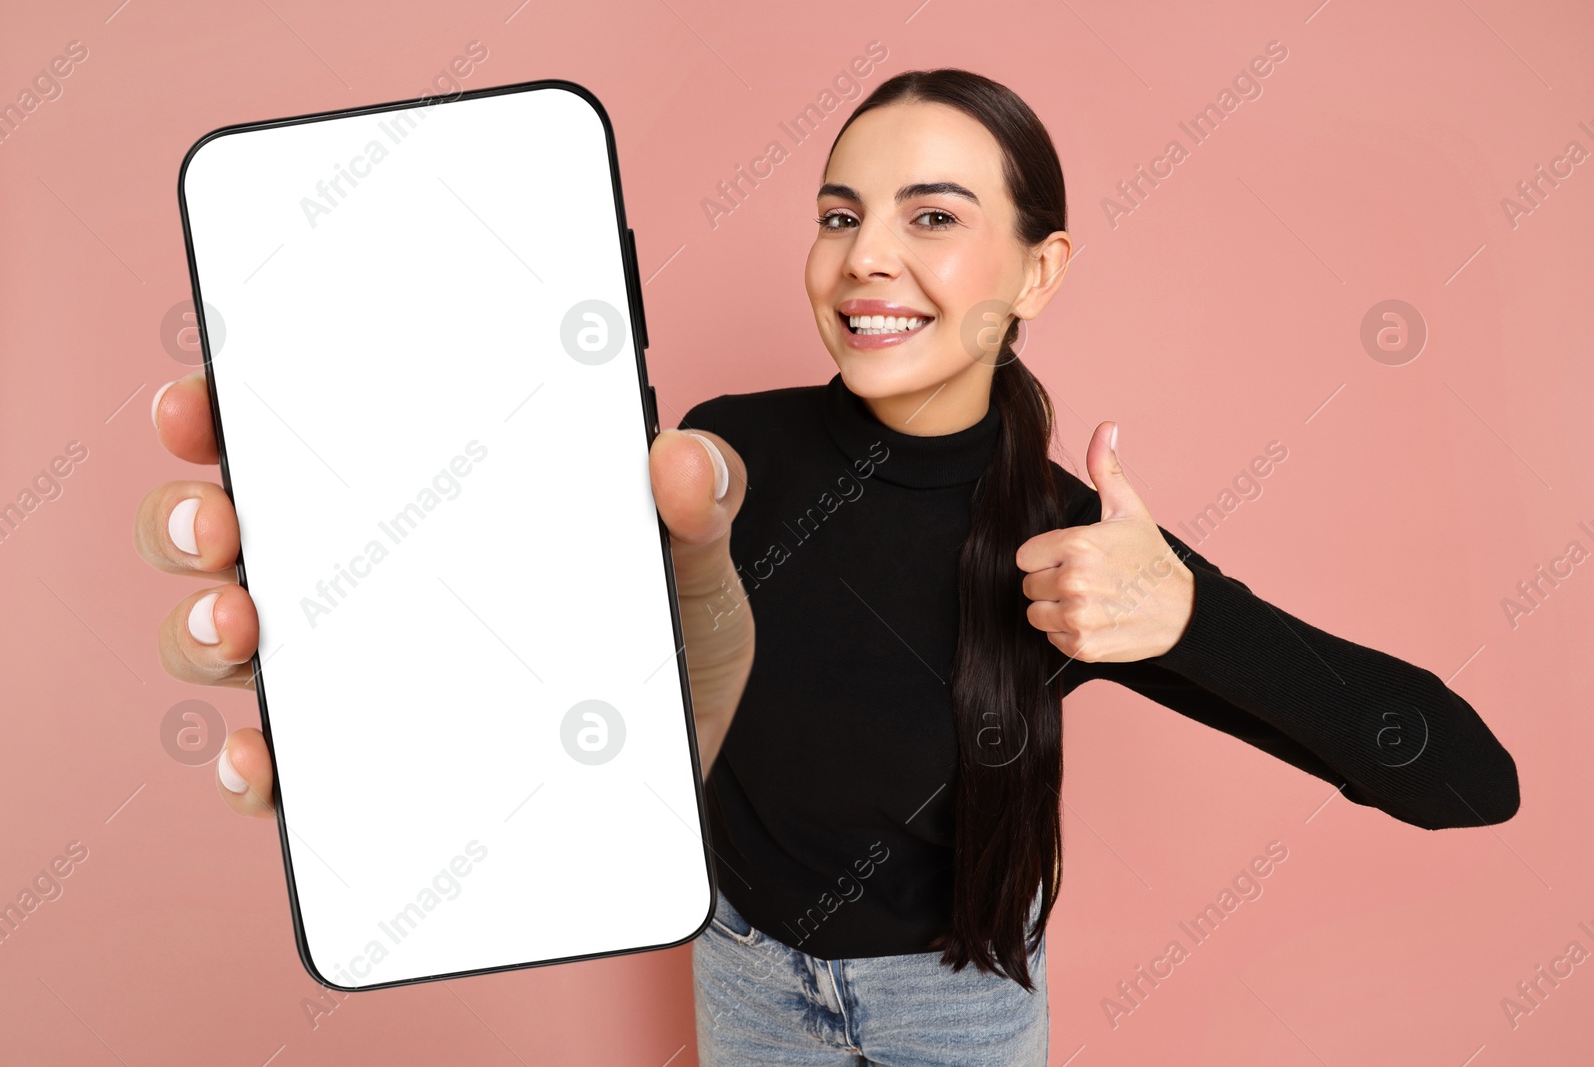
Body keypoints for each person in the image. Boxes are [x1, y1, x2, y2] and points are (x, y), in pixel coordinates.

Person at [136, 68, 1519, 1067]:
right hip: (741, 980)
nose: (865, 259)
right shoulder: (727, 455)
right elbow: (531, 641)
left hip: (963, 1007)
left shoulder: (1069, 541)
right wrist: (348, 576)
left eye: (932, 218)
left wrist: (1190, 620)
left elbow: (1466, 780)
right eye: (839, 211)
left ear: (1038, 275)